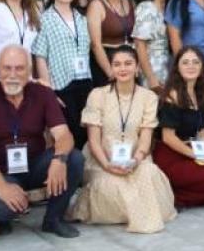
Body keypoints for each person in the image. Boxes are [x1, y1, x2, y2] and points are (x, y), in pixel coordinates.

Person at [0, 45, 83, 238]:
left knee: (74, 159)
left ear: (29, 72)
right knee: (4, 208)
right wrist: (2, 187)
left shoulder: (43, 93)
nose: (12, 75)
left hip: (33, 165)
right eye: (7, 68)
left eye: (19, 68)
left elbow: (64, 135)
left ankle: (53, 219)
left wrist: (59, 160)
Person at [73, 46, 176, 233]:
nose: (123, 68)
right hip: (101, 161)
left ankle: (138, 214)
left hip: (136, 159)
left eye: (128, 63)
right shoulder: (97, 95)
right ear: (111, 69)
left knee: (149, 173)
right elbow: (94, 141)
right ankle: (138, 213)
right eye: (117, 64)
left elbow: (145, 139)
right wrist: (107, 165)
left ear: (137, 68)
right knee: (114, 186)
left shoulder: (148, 97)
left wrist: (135, 160)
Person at [153, 47, 204, 208]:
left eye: (196, 62)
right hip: (170, 155)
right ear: (177, 67)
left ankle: (176, 196)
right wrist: (196, 155)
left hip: (191, 150)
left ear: (202, 67)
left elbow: (201, 134)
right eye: (185, 62)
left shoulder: (201, 94)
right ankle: (173, 197)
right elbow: (168, 137)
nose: (191, 66)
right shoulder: (172, 95)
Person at [32, 0, 93, 149]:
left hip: (85, 82)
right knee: (68, 136)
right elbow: (40, 56)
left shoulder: (81, 18)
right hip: (61, 85)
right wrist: (49, 90)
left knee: (86, 133)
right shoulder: (45, 19)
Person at [87, 0, 135, 87]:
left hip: (128, 63)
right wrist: (110, 72)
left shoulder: (131, 4)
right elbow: (96, 45)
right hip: (106, 65)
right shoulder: (96, 6)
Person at [132, 0, 176, 94]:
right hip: (151, 68)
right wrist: (151, 78)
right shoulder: (146, 7)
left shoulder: (169, 8)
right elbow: (140, 44)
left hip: (167, 67)